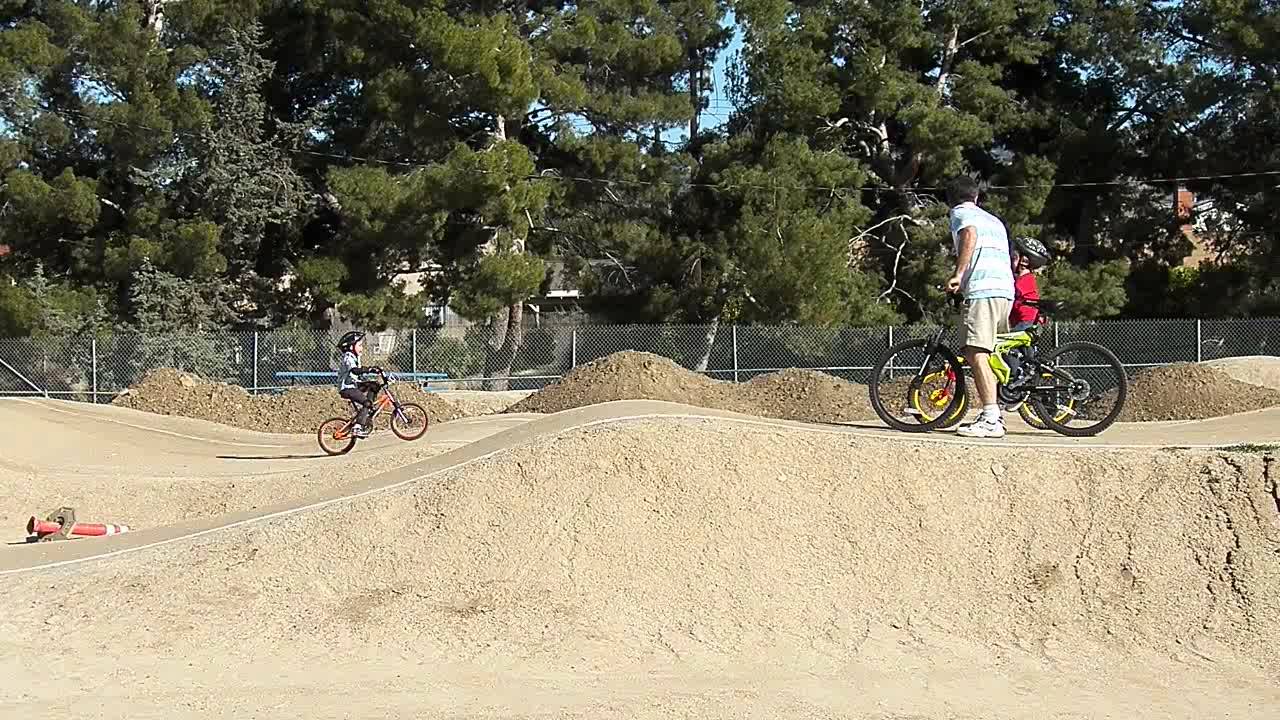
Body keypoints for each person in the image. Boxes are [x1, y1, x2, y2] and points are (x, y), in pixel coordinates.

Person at [944, 175, 1016, 438]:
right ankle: (999, 404)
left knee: (975, 352)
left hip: (982, 290)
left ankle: (991, 418)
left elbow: (969, 234)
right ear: (976, 196)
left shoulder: (960, 213)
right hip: (1005, 290)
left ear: (950, 199)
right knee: (991, 353)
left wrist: (958, 275)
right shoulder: (994, 220)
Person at [336, 330, 380, 438]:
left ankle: (367, 410)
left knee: (374, 386)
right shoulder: (348, 357)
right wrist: (368, 369)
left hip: (354, 384)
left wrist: (374, 371)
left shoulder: (356, 357)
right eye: (359, 345)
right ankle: (357, 427)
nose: (362, 348)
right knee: (367, 403)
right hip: (347, 388)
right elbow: (355, 370)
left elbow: (360, 374)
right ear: (351, 347)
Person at [1008, 235, 1052, 331]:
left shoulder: (1026, 280)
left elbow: (1010, 292)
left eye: (1014, 258)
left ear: (1024, 261)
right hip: (1022, 321)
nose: (1010, 261)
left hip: (1025, 322)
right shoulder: (1023, 279)